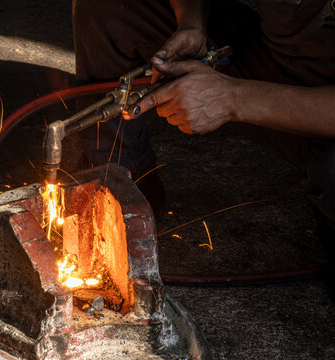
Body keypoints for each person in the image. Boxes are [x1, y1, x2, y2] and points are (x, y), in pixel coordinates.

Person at [73, 0, 335, 282]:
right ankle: (125, 189)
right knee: (105, 7)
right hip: (276, 58)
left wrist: (233, 97)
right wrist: (191, 21)